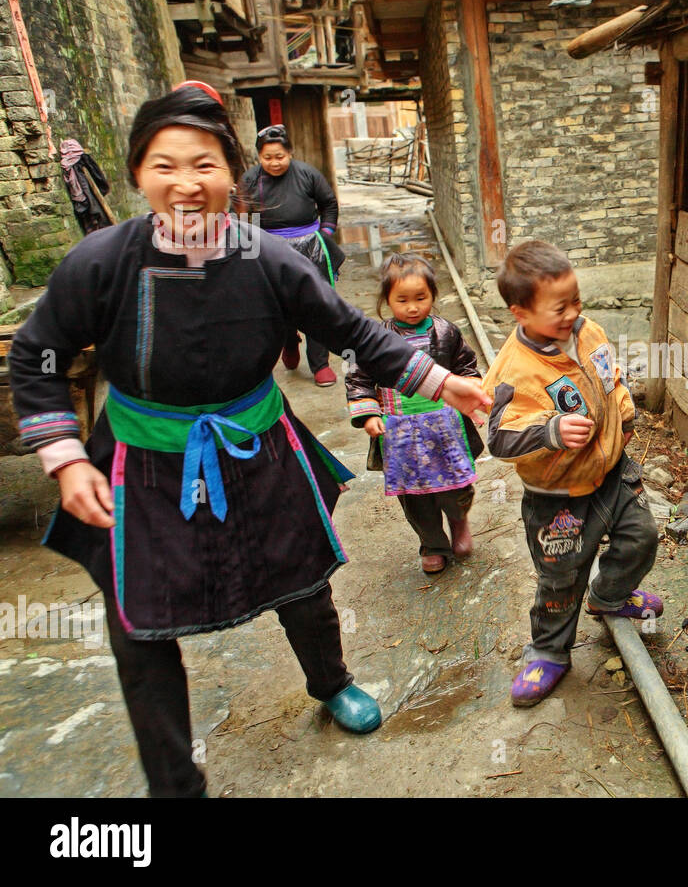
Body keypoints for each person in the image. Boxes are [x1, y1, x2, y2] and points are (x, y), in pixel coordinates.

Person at [8, 82, 492, 797]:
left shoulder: (268, 259)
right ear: (139, 172)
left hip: (259, 449)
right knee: (138, 626)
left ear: (228, 175)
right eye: (164, 165)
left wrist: (439, 381)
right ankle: (174, 781)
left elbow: (354, 334)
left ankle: (332, 684)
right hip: (140, 465)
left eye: (203, 164)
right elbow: (38, 354)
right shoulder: (100, 263)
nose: (185, 183)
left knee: (302, 583)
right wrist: (64, 454)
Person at [481, 239, 663, 707]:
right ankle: (548, 651)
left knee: (642, 535)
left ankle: (610, 595)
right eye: (559, 307)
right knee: (561, 577)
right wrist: (550, 431)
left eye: (576, 300)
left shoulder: (589, 331)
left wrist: (623, 414)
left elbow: (612, 378)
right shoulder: (514, 369)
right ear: (520, 313)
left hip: (611, 471)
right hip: (556, 496)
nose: (572, 313)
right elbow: (498, 438)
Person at [346, 253, 482, 574]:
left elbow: (466, 366)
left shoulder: (446, 332)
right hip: (400, 435)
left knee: (456, 486)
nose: (412, 307)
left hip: (445, 429)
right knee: (414, 497)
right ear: (387, 301)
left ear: (433, 295)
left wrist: (471, 393)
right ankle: (432, 543)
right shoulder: (375, 340)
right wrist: (368, 414)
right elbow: (359, 378)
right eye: (402, 300)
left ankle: (458, 520)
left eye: (421, 298)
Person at [241, 124, 345, 387]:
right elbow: (246, 216)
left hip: (310, 244)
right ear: (259, 157)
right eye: (267, 158)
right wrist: (252, 251)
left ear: (290, 153)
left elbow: (328, 204)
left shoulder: (308, 174)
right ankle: (289, 341)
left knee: (314, 302)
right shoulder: (251, 180)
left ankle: (320, 364)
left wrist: (326, 233)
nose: (274, 163)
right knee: (278, 303)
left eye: (280, 156)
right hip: (270, 247)